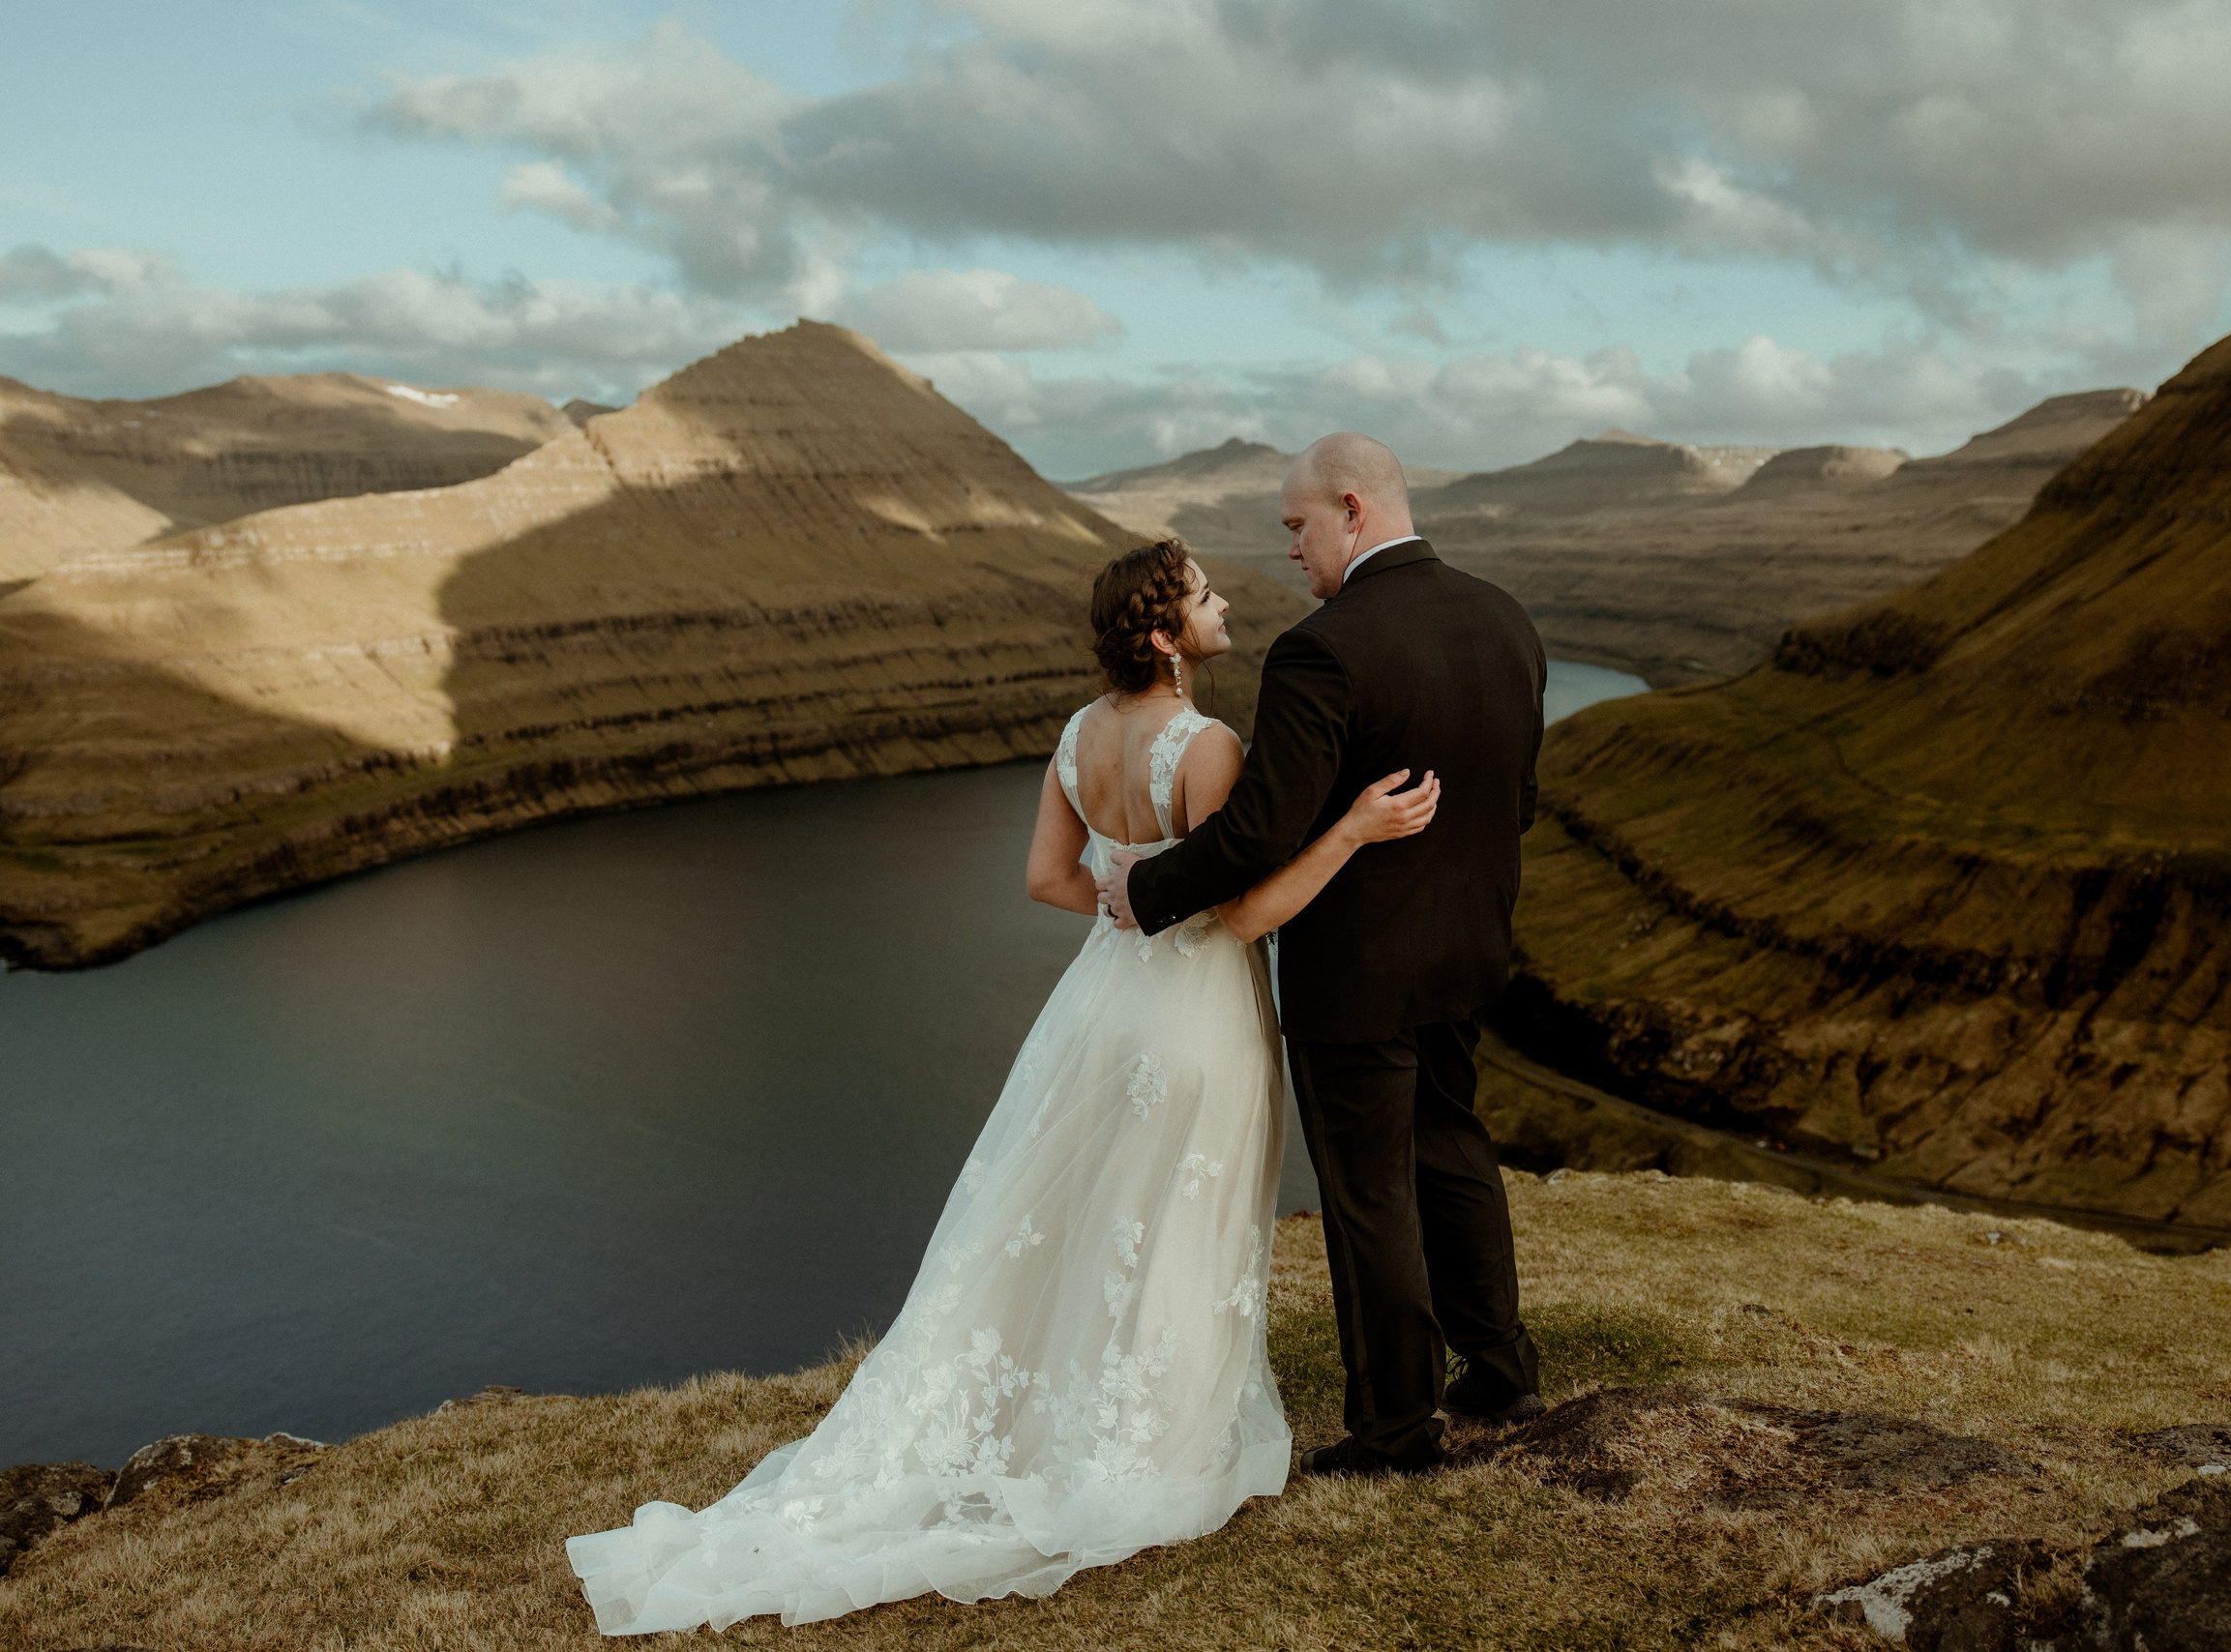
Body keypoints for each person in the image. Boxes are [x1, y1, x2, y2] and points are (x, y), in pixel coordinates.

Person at [565, 537, 1440, 1634]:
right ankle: (1149, 1435)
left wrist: (1125, 907)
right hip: (1197, 1011)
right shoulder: (1209, 745)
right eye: (1206, 597)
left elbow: (1047, 879)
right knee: (1177, 1217)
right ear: (1167, 637)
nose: (1226, 606)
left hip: (1101, 1004)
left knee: (1092, 1214)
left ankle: (1065, 1405)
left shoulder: (1077, 738)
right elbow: (1245, 913)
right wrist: (1356, 827)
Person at [1098, 431, 1548, 1479]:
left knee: (1368, 1192)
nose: (1290, 550)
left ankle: (1396, 1428)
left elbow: (1257, 831)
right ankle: (1502, 1368)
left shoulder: (1324, 648)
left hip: (1357, 973)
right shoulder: (1504, 617)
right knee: (1452, 1147)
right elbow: (1514, 800)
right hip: (1468, 949)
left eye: (1297, 526)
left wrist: (1144, 887)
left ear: (1351, 508)